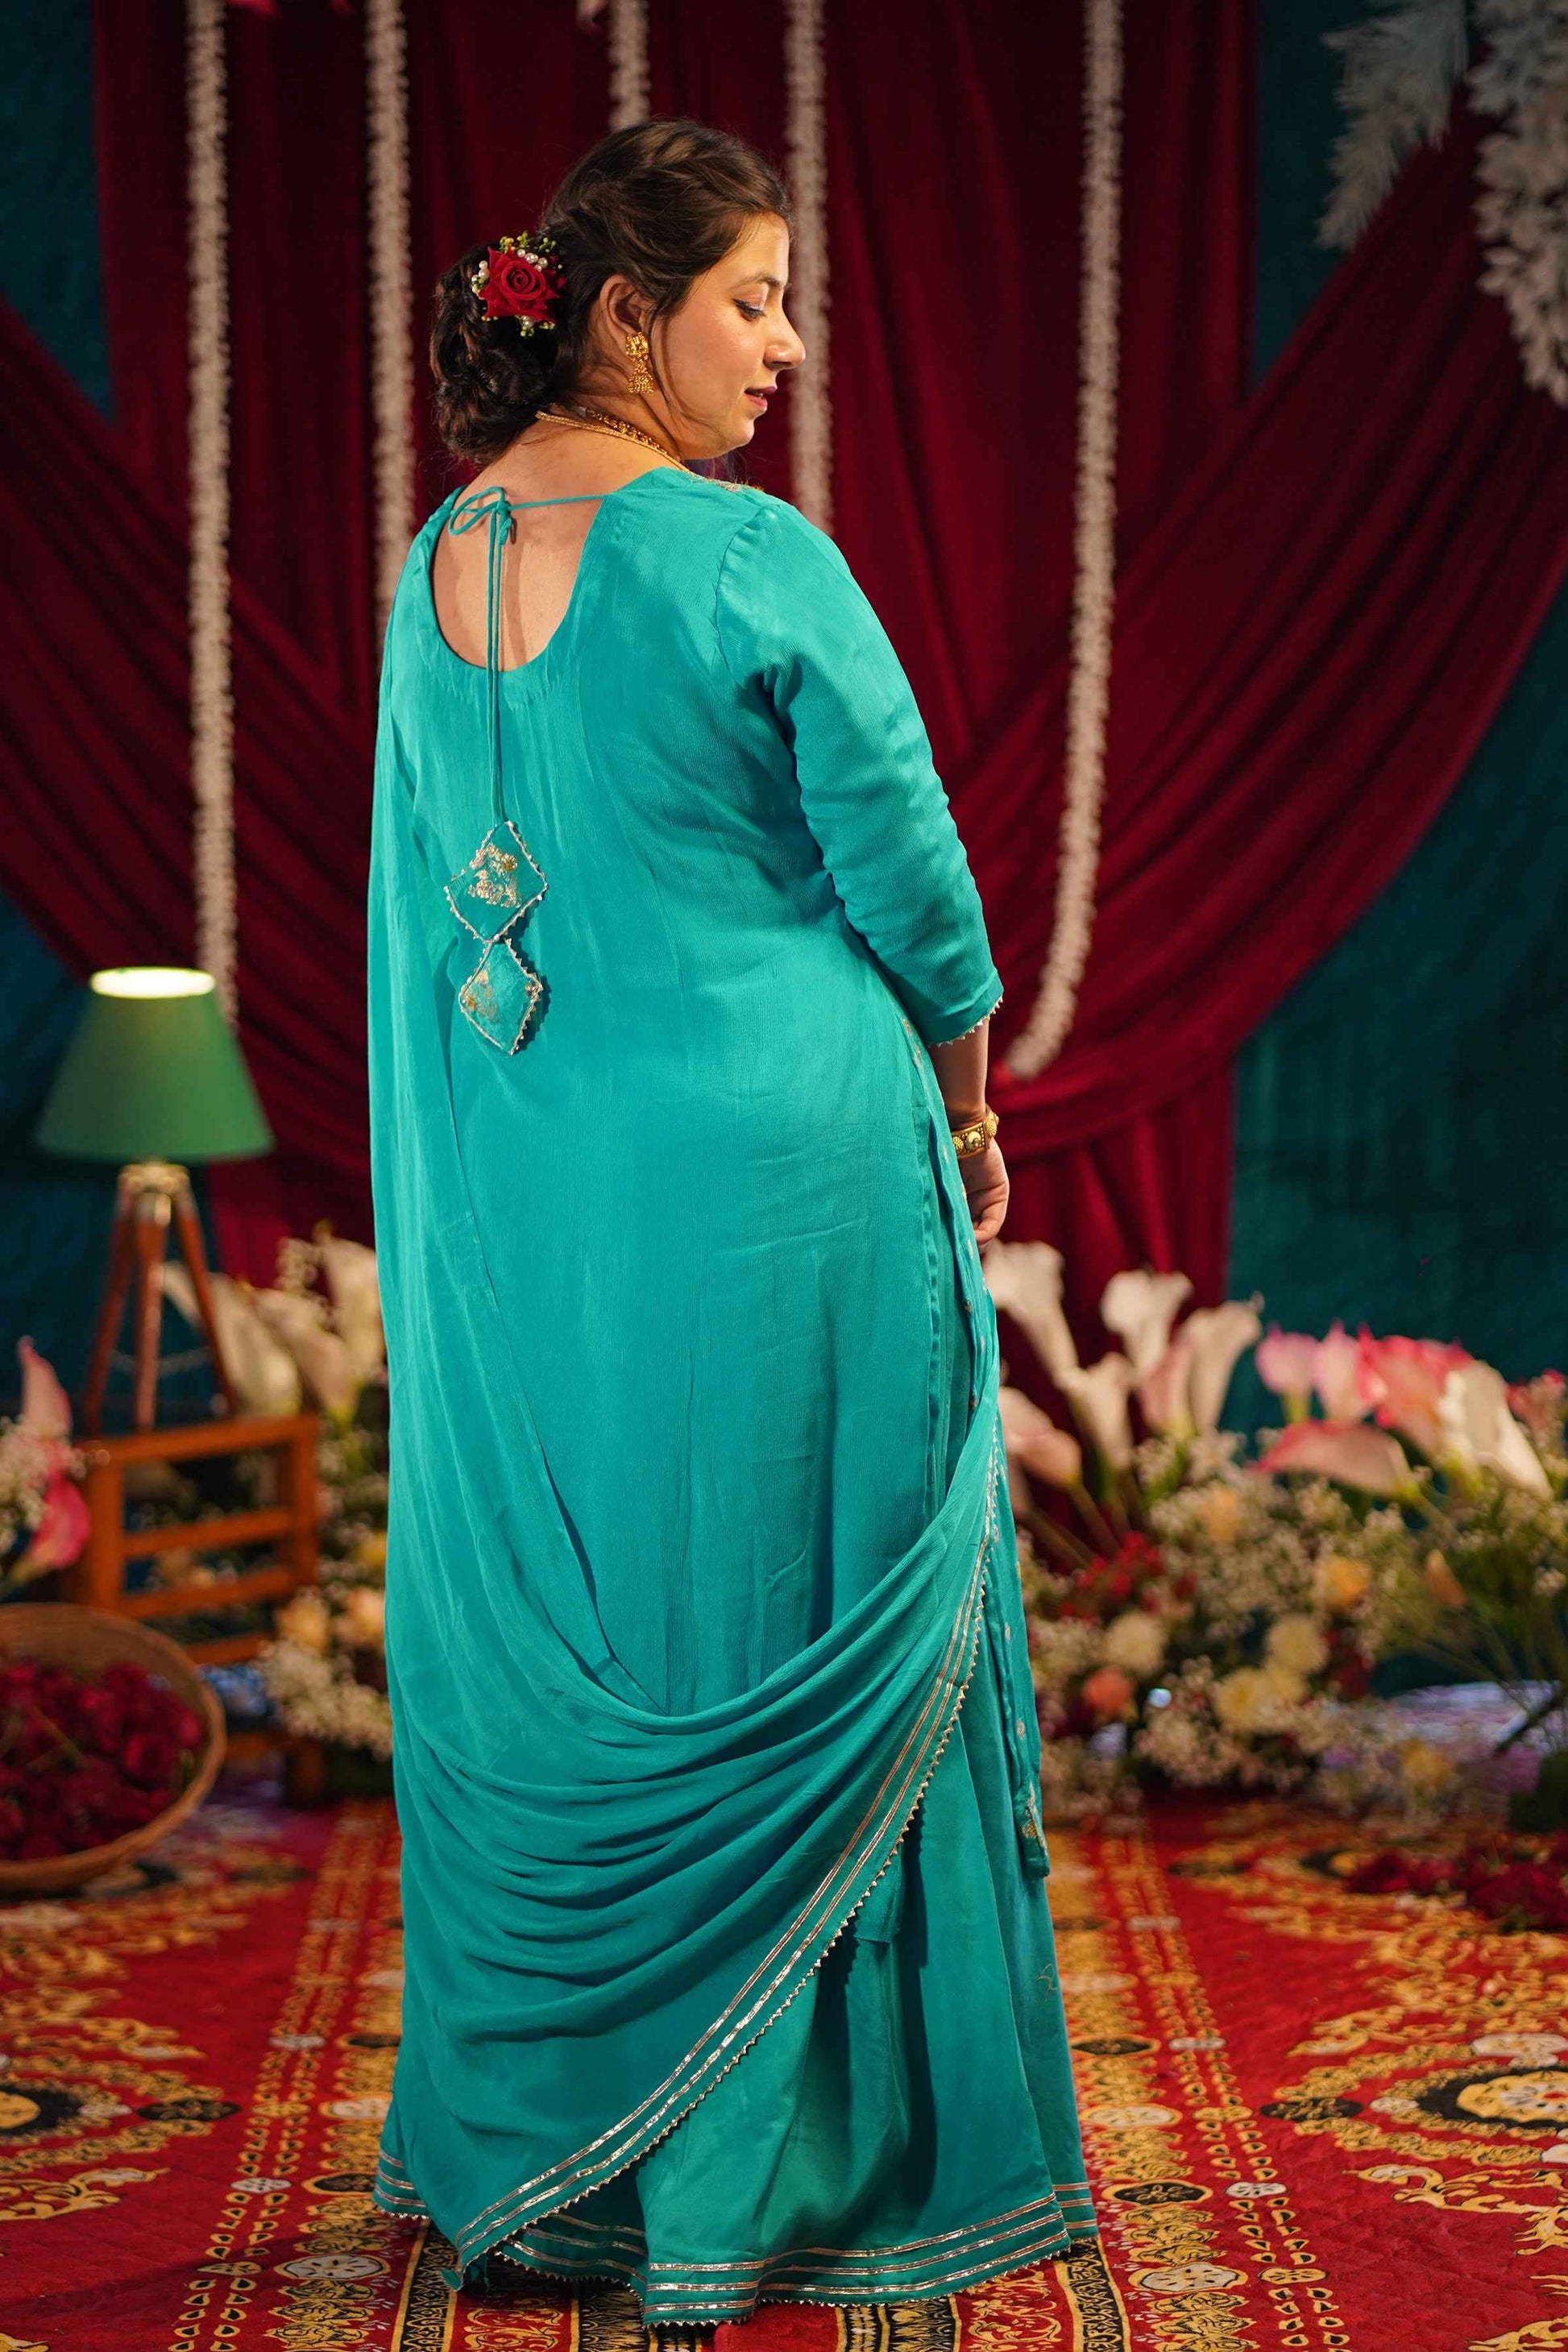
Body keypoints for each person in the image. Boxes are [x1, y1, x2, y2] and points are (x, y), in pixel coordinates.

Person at [367, 114, 1093, 2329]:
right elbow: (919, 888)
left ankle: (568, 2152)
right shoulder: (745, 555)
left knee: (617, 1586)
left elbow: (434, 928)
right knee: (796, 1583)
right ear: (623, 313)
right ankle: (808, 2157)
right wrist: (964, 1104)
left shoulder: (434, 567)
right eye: (752, 301)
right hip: (791, 1176)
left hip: (541, 1202)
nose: (781, 348)